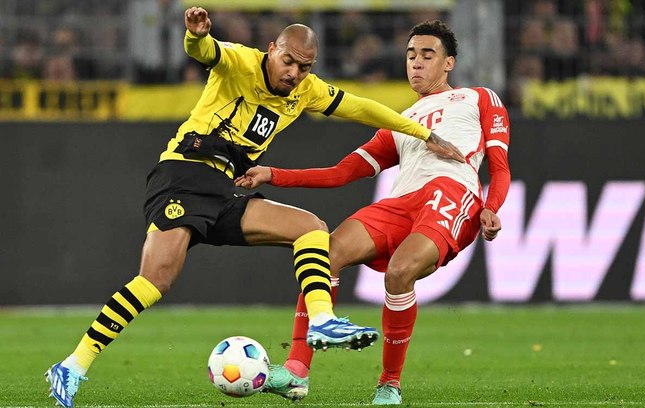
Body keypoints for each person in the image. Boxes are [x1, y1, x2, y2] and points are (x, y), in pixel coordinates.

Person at [44, 8, 464, 408]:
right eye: (288, 62)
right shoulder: (240, 63)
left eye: (304, 67)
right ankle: (72, 365)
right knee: (155, 281)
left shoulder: (305, 90)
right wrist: (196, 35)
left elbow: (361, 107)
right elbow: (206, 52)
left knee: (311, 227)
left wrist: (420, 133)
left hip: (225, 188)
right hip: (184, 175)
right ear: (271, 50)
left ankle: (321, 320)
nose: (294, 74)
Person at [236, 19, 512, 405]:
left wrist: (491, 207)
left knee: (400, 272)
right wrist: (273, 174)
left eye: (427, 55)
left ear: (448, 63)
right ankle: (297, 371)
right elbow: (341, 173)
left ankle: (389, 383)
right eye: (411, 55)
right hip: (401, 202)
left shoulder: (479, 98)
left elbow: (500, 166)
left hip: (451, 195)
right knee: (324, 253)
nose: (416, 63)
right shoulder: (400, 122)